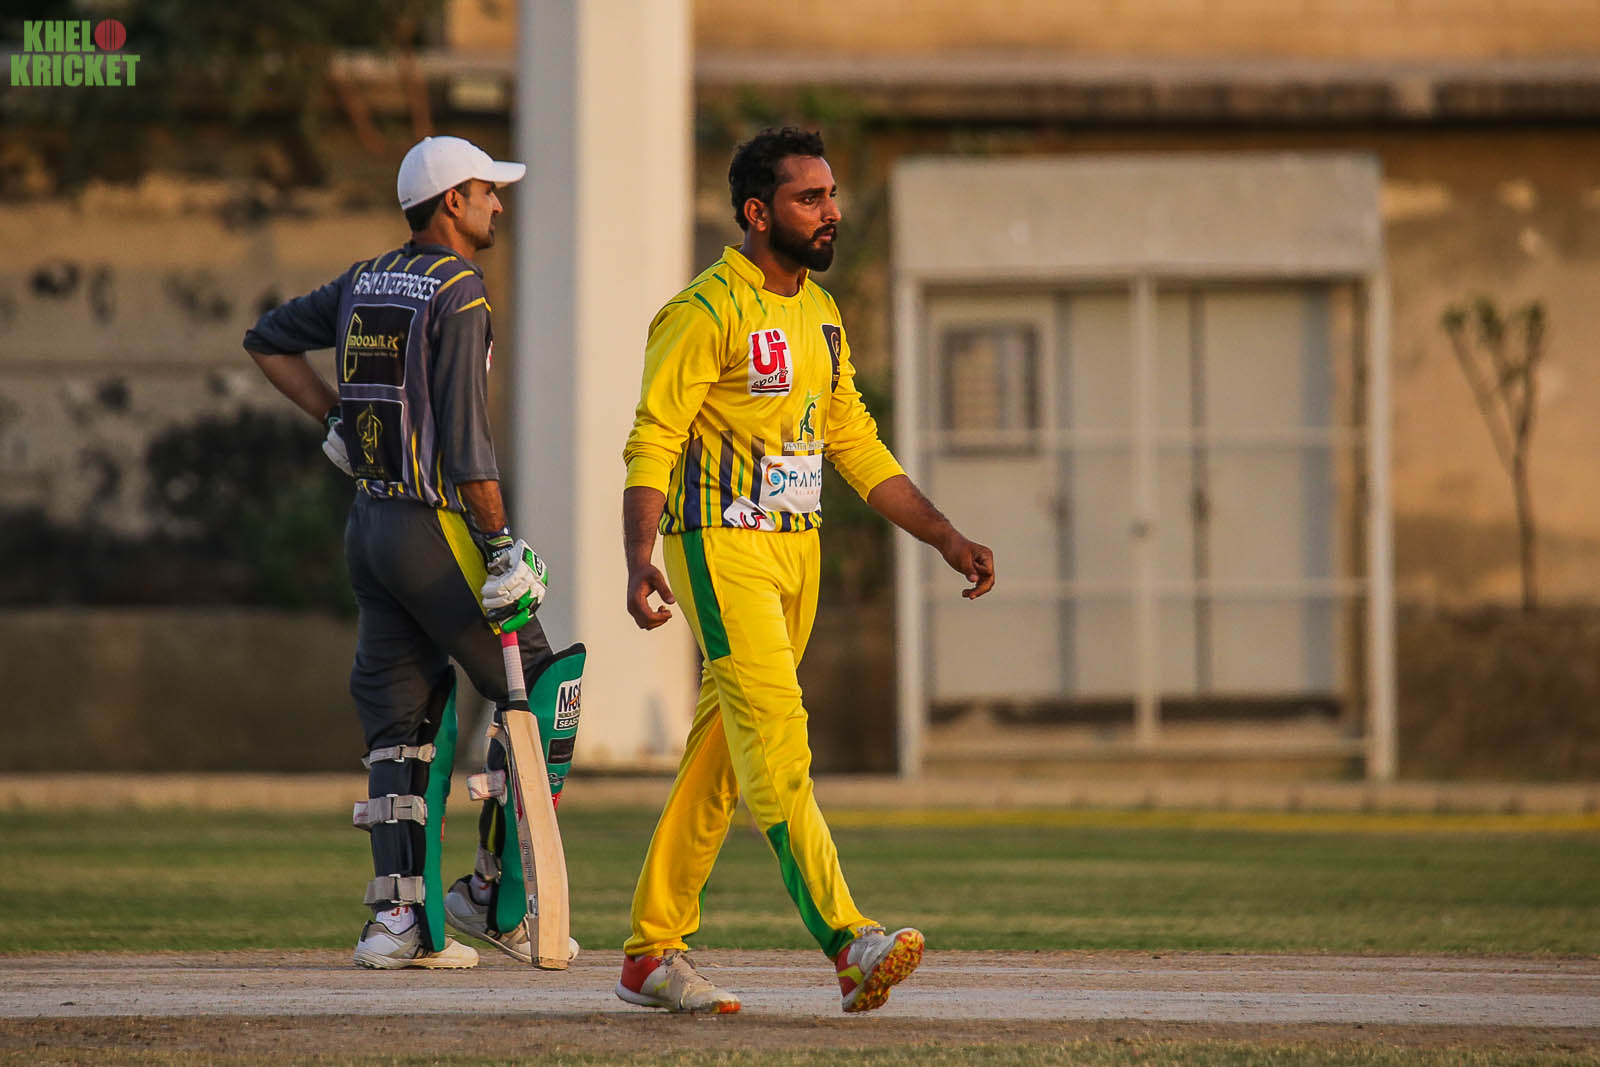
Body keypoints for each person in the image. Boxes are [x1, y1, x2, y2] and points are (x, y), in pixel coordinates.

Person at [617, 127, 996, 1014]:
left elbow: (851, 440)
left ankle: (650, 951)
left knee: (722, 756)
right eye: (810, 198)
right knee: (779, 740)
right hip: (722, 547)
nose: (832, 212)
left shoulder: (820, 313)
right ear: (758, 212)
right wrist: (639, 555)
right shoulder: (703, 310)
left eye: (831, 195)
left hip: (799, 552)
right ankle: (848, 939)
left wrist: (943, 534)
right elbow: (654, 438)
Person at [243, 135, 580, 969]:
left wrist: (334, 419)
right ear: (451, 202)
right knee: (546, 688)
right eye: (486, 190)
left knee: (401, 720)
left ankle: (400, 922)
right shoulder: (459, 289)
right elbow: (467, 443)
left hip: (370, 527)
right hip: (436, 527)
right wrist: (500, 546)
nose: (497, 203)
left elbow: (267, 340)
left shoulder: (365, 279)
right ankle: (494, 898)